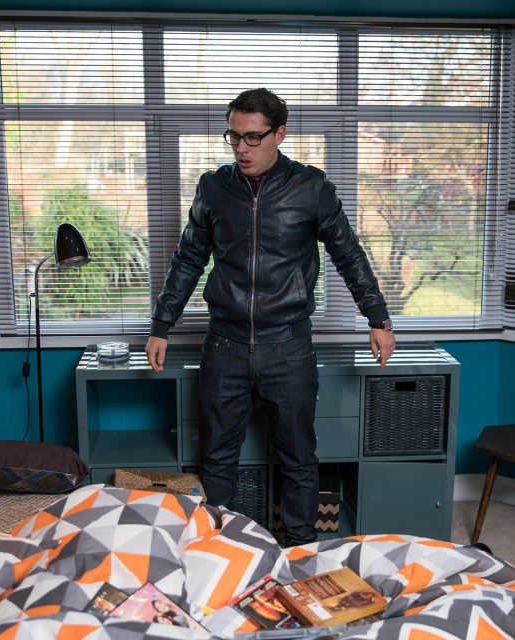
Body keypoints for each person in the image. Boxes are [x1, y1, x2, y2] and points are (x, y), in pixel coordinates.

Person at [145, 87, 395, 546]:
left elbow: (348, 254)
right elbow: (187, 260)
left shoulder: (311, 187)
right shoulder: (213, 187)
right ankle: (217, 552)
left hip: (289, 347)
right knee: (218, 460)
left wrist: (377, 317)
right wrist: (162, 325)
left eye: (253, 137)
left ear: (280, 134)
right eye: (234, 136)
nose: (242, 147)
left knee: (298, 458)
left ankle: (300, 557)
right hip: (224, 346)